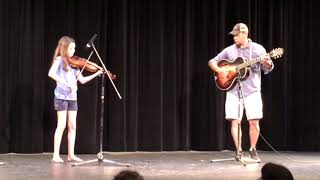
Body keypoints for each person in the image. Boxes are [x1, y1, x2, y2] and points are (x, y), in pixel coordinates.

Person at [208, 23, 274, 162]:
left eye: (237, 35)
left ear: (244, 34)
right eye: (234, 36)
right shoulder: (229, 50)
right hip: (233, 90)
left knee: (254, 121)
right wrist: (221, 70)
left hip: (252, 90)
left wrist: (267, 63)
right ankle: (238, 150)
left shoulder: (257, 49)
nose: (234, 38)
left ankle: (253, 149)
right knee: (235, 121)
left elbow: (268, 68)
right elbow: (212, 61)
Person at [48, 36, 103, 163]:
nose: (73, 51)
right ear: (64, 48)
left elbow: (82, 80)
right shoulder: (59, 60)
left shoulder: (75, 64)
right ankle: (55, 155)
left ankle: (70, 155)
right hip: (61, 97)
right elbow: (51, 73)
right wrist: (66, 84)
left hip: (73, 98)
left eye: (74, 48)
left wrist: (97, 73)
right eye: (71, 48)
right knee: (61, 125)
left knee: (72, 126)